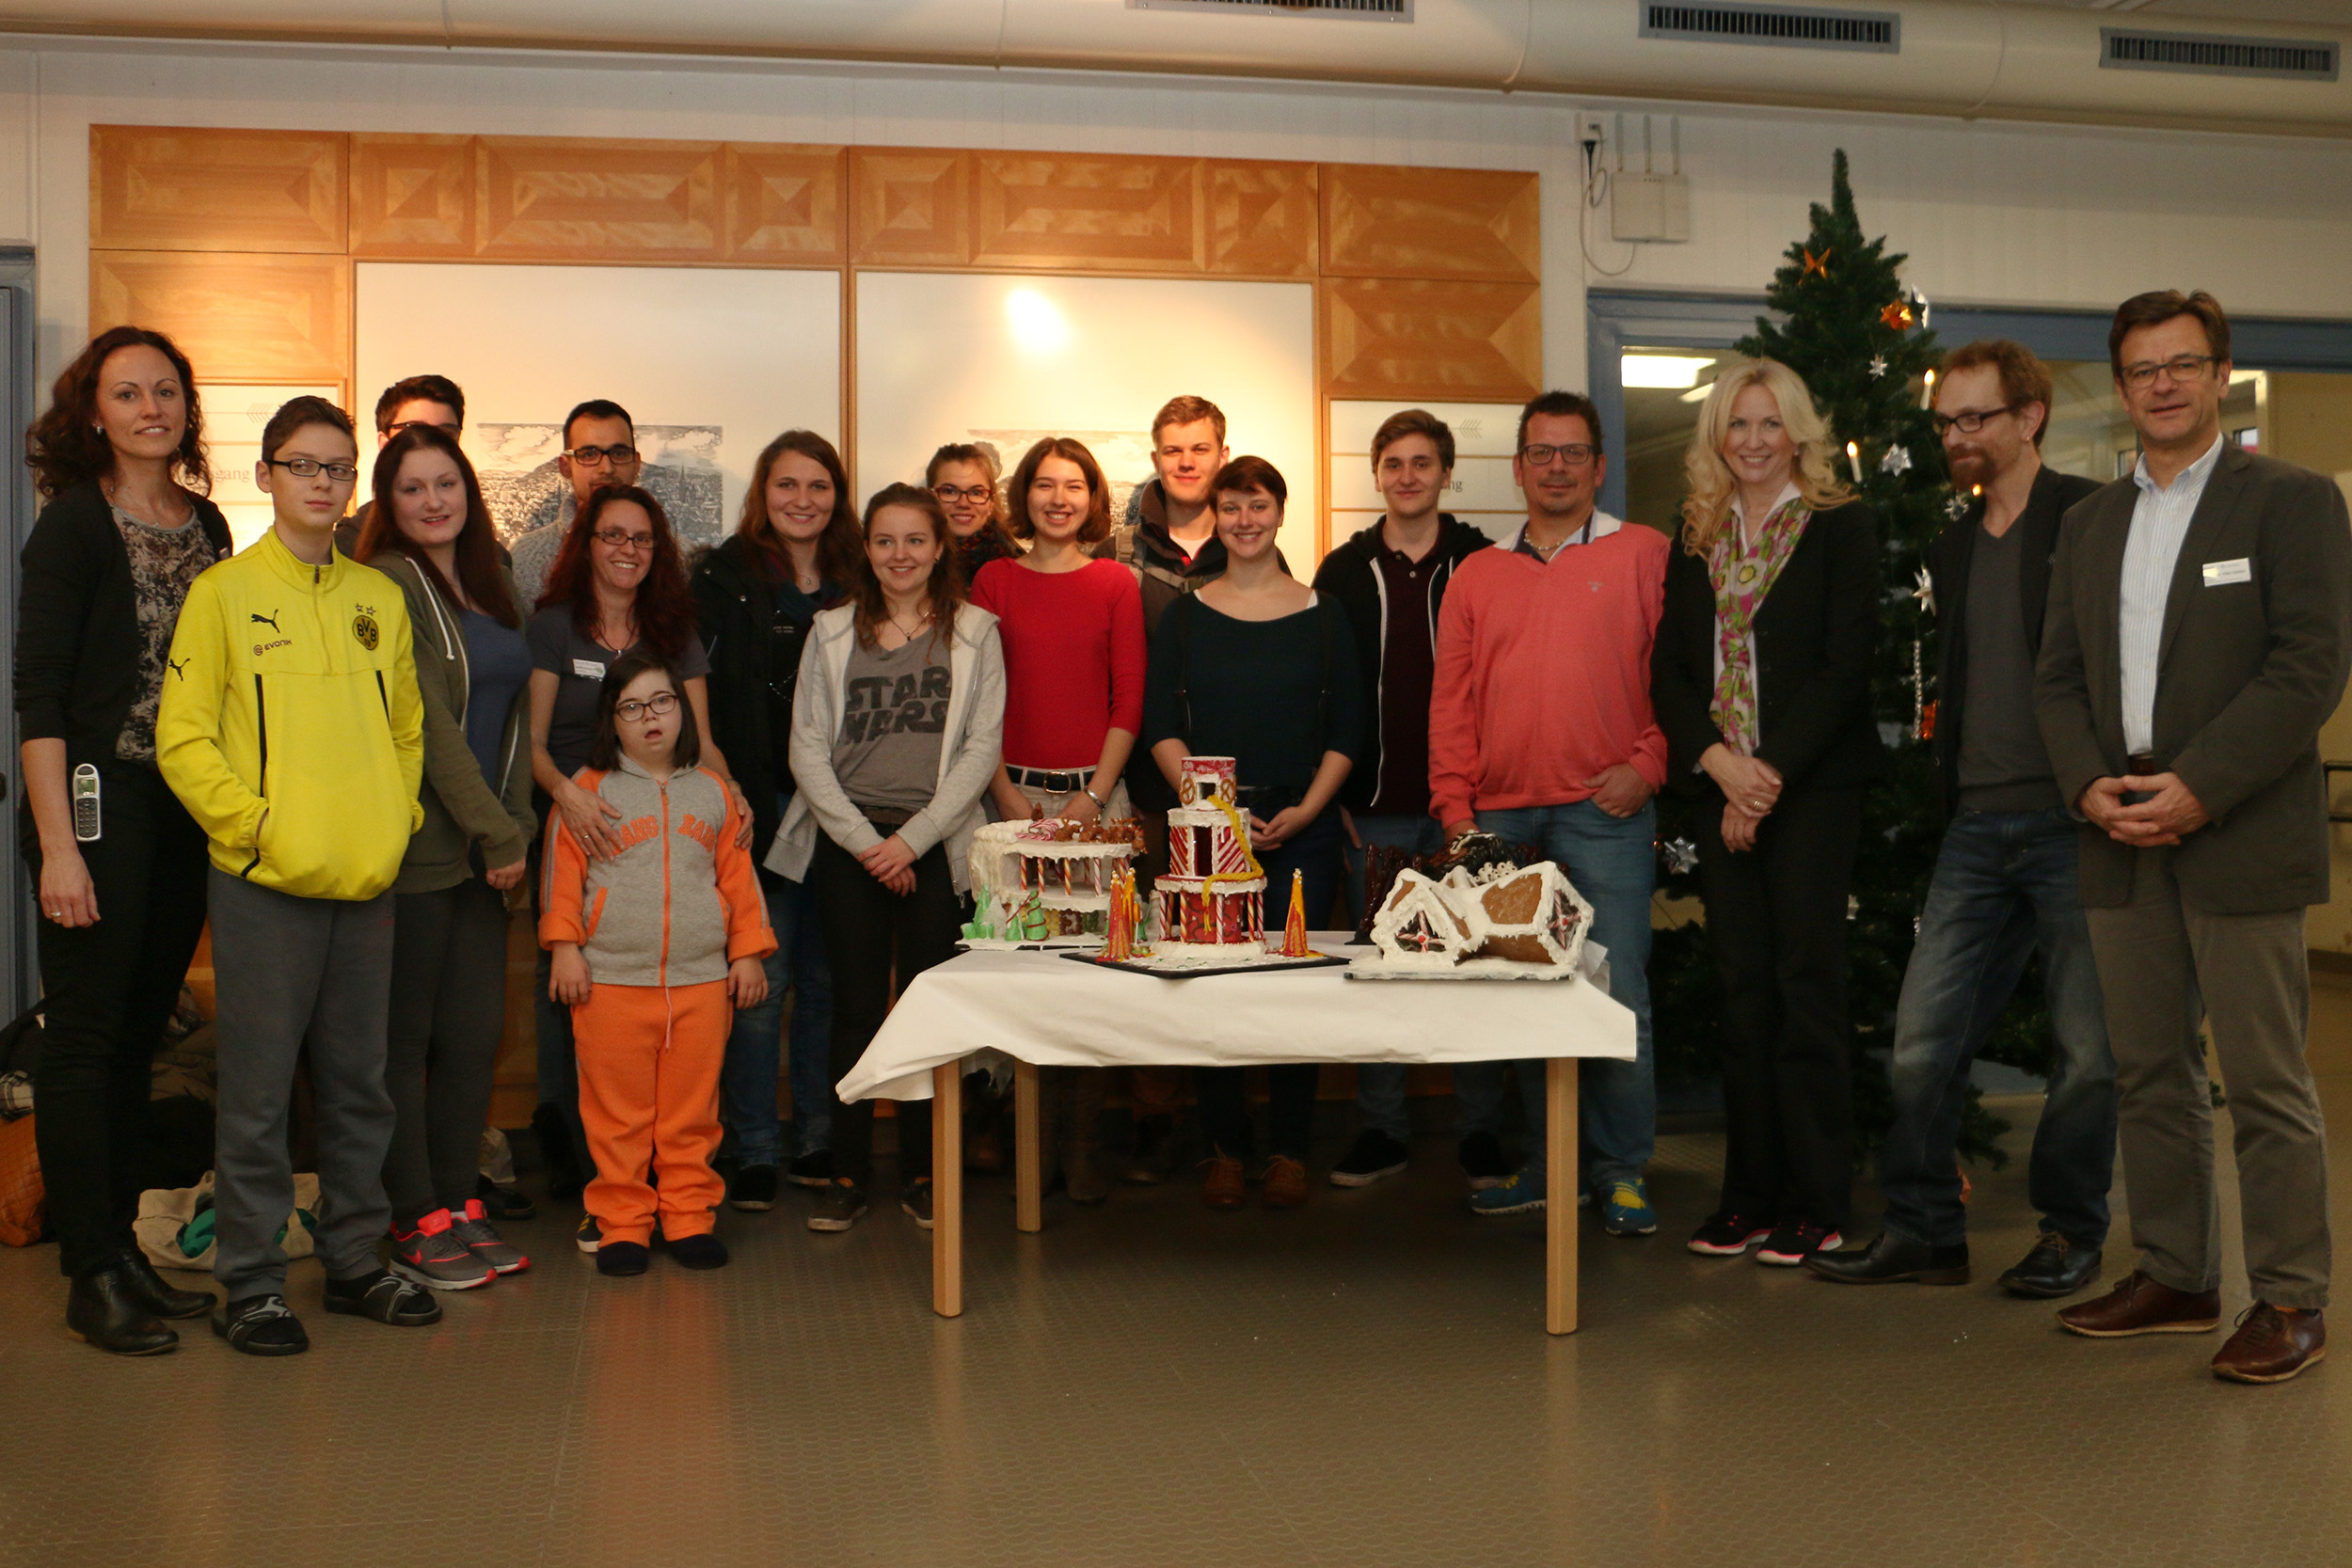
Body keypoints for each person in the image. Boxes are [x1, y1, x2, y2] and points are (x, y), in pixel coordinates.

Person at [2039, 291, 2352, 1384]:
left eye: (2183, 363)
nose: (2162, 383)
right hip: (2116, 829)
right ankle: (2176, 1271)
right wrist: (2088, 784)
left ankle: (2289, 1296)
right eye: (2140, 368)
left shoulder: (2292, 501)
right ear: (2119, 388)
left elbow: (2309, 666)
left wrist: (2199, 786)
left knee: (2265, 1079)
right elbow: (2059, 678)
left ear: (2220, 374)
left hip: (2239, 830)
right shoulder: (2087, 523)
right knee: (2147, 1070)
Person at [1809, 341, 2115, 1296]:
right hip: (1976, 825)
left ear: (2027, 418)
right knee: (1920, 1038)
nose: (1953, 436)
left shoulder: (2090, 520)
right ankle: (1925, 1229)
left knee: (2087, 1051)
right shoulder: (1952, 540)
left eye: (1972, 418)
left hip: (2073, 822)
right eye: (1945, 421)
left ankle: (2070, 1232)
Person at [156, 395, 438, 1355]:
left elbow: (408, 731)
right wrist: (260, 828)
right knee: (259, 1092)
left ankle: (358, 1261)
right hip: (263, 884)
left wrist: (391, 822)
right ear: (266, 475)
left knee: (362, 1085)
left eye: (338, 467)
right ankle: (253, 1284)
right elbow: (183, 740)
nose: (323, 482)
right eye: (304, 465)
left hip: (366, 882)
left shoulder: (379, 598)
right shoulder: (223, 595)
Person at [15, 325, 231, 1354]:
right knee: (88, 1034)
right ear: (92, 411)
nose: (152, 407)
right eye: (128, 392)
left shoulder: (211, 526)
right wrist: (58, 846)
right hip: (95, 809)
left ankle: (123, 1251)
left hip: (184, 812)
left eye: (167, 391)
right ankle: (89, 1267)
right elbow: (41, 698)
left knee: (141, 1037)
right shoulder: (71, 528)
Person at [1653, 358, 1883, 1269]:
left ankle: (1817, 1199)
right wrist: (1719, 766)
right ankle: (1747, 1196)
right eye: (1735, 425)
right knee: (1742, 994)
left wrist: (1767, 774)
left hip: (1811, 788)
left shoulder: (1839, 525)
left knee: (1805, 990)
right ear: (1717, 436)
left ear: (1797, 432)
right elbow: (1668, 671)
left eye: (1767, 423)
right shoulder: (1694, 531)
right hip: (1721, 782)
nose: (1751, 440)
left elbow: (1844, 663)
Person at [1429, 391, 1669, 1232]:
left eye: (1573, 452)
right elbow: (1452, 701)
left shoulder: (1645, 555)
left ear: (1599, 466)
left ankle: (1621, 1169)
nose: (1557, 466)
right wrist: (1455, 806)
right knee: (1526, 997)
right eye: (1542, 453)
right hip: (1500, 825)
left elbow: (1683, 678)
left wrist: (1649, 764)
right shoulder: (1478, 574)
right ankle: (1550, 1166)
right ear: (1519, 468)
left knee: (1616, 993)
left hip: (1605, 814)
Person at [769, 483, 1006, 1234]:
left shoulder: (976, 632)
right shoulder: (833, 631)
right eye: (884, 541)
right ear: (865, 549)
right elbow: (806, 746)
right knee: (855, 1008)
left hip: (935, 845)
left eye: (914, 540)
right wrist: (869, 844)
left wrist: (913, 840)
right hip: (852, 845)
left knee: (932, 1009)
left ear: (940, 548)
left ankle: (924, 1169)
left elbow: (981, 749)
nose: (899, 555)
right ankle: (846, 1170)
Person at [1141, 456, 1362, 1211]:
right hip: (1210, 831)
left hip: (1302, 826)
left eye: (1257, 505)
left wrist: (1309, 809)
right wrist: (1216, 812)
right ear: (1217, 517)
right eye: (1230, 507)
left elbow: (1348, 731)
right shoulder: (1186, 614)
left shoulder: (1324, 613)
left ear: (1279, 512)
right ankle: (1226, 1148)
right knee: (1215, 991)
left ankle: (1290, 1149)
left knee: (1292, 993)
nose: (1243, 520)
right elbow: (1160, 729)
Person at [354, 426, 537, 1291]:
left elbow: (518, 718)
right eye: (413, 489)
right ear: (388, 506)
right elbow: (425, 723)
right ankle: (413, 1212)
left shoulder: (493, 581)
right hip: (420, 850)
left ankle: (461, 1200)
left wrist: (516, 828)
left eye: (446, 484)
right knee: (406, 1042)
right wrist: (494, 832)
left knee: (473, 1038)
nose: (433, 501)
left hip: (487, 854)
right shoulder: (390, 584)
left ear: (468, 490)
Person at [527, 483, 729, 1251]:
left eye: (642, 538)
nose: (627, 550)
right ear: (588, 543)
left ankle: (678, 1204)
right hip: (584, 832)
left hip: (671, 827)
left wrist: (729, 792)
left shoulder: (675, 631)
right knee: (582, 1042)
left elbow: (701, 742)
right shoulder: (553, 628)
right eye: (612, 535)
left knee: (679, 1075)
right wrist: (566, 802)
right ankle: (606, 1202)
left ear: (658, 550)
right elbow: (537, 742)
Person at [542, 653, 774, 1276]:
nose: (650, 717)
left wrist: (747, 952)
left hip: (701, 983)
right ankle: (623, 1223)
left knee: (691, 1113)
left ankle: (689, 1216)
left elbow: (738, 880)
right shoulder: (588, 792)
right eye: (632, 707)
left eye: (662, 701)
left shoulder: (716, 793)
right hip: (610, 983)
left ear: (682, 709)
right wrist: (565, 946)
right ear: (611, 720)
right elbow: (561, 879)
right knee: (617, 1115)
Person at [1312, 409, 1491, 1188]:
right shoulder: (1342, 570)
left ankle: (1483, 1132)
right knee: (1380, 967)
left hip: (1471, 807)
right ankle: (1382, 1128)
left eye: (1424, 462)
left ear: (1448, 473)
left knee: (1481, 967)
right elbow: (1318, 688)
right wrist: (1335, 793)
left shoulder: (1485, 562)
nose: (1409, 475)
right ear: (1376, 474)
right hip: (1375, 804)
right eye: (1394, 463)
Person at [972, 437, 1146, 1204]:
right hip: (1008, 798)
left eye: (1074, 486)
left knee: (1089, 979)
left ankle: (1078, 1151)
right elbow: (979, 696)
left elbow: (1128, 698)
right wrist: (1007, 793)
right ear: (1025, 498)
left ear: (1092, 498)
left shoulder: (1115, 582)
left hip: (1095, 802)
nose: (1058, 499)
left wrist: (1089, 798)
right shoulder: (994, 579)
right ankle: (1027, 1151)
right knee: (1020, 975)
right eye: (1044, 485)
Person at [691, 432, 859, 1208]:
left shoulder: (860, 576)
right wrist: (729, 785)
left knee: (830, 984)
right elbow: (703, 689)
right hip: (762, 807)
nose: (803, 500)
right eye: (787, 485)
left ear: (837, 494)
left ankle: (819, 1138)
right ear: (764, 491)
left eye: (818, 485)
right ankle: (754, 1146)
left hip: (850, 813)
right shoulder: (723, 576)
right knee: (764, 983)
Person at [1093, 395, 1250, 1182]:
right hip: (1142, 791)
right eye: (1171, 450)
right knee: (1152, 955)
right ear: (1155, 458)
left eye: (1200, 448)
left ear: (1223, 453)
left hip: (1232, 789)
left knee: (1223, 954)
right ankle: (1154, 1120)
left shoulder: (1253, 542)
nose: (1186, 462)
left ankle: (1226, 1129)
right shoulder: (1114, 548)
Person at [512, 399, 642, 613]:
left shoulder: (676, 557)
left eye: (618, 454)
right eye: (589, 454)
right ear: (565, 466)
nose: (606, 468)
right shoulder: (525, 558)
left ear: (636, 464)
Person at [336, 373, 465, 556]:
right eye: (414, 430)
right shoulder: (348, 545)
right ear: (385, 443)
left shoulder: (490, 556)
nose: (429, 444)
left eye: (445, 434)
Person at [930, 441, 1021, 582]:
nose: (963, 503)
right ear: (930, 497)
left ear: (991, 503)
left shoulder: (1016, 568)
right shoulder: (908, 561)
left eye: (976, 492)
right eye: (949, 491)